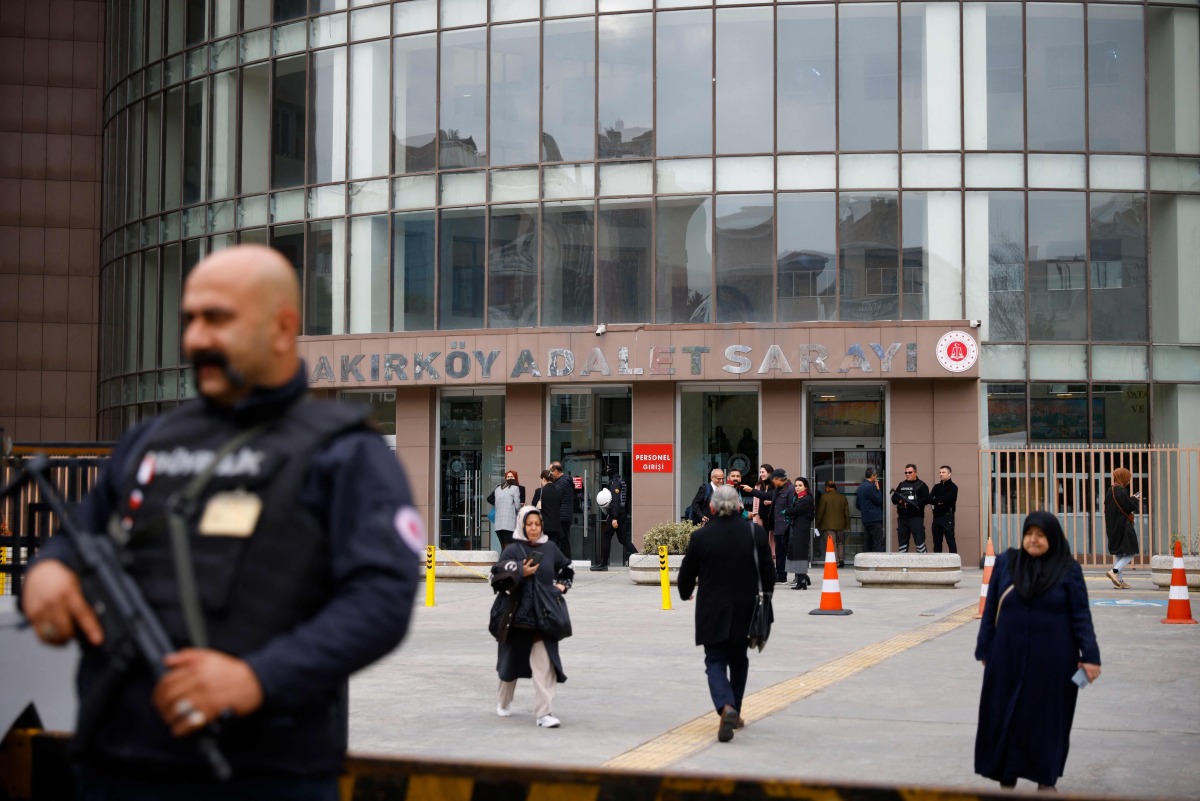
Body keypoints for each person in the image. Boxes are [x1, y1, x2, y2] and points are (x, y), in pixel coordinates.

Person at [19, 245, 421, 799]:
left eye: (218, 319)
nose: (196, 339)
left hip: (260, 776)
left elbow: (380, 601)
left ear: (283, 328)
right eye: (189, 319)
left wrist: (257, 679)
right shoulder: (149, 442)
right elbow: (76, 537)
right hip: (112, 765)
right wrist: (49, 573)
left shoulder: (345, 452)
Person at [975, 511, 1101, 791]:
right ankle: (1006, 776)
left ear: (1052, 537)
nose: (1033, 539)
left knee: (1047, 721)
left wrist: (1090, 655)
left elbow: (1081, 616)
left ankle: (1046, 779)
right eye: (1029, 533)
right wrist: (985, 649)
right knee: (1004, 714)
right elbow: (991, 608)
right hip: (1007, 656)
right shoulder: (1007, 562)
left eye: (1040, 534)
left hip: (1053, 662)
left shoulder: (1068, 569)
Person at [677, 485, 774, 743]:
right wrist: (767, 598)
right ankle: (735, 710)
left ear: (712, 507)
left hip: (712, 609)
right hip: (746, 608)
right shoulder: (756, 534)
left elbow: (686, 573)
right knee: (739, 659)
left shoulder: (701, 537)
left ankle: (726, 707)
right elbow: (769, 574)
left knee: (715, 660)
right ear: (740, 506)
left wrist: (685, 592)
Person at [490, 506, 574, 728]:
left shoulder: (550, 548)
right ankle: (503, 701)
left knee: (545, 665)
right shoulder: (512, 550)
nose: (534, 528)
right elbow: (496, 575)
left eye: (537, 524)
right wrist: (520, 570)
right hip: (516, 619)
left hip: (543, 617)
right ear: (522, 525)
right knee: (509, 668)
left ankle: (544, 713)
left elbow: (567, 568)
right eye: (530, 524)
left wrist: (562, 586)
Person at [747, 468, 792, 583]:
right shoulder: (778, 489)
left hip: (786, 526)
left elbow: (792, 509)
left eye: (773, 480)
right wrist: (751, 490)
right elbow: (765, 495)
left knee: (787, 552)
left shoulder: (790, 489)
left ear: (778, 479)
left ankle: (795, 575)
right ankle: (781, 576)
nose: (772, 482)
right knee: (779, 552)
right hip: (778, 526)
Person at [1103, 467, 1141, 589]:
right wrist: (1135, 499)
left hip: (1113, 527)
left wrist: (1130, 499)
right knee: (1131, 551)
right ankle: (1114, 571)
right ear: (1122, 477)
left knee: (1119, 553)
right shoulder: (1121, 490)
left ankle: (1119, 581)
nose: (1128, 481)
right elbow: (1129, 507)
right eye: (1128, 479)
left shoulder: (1111, 490)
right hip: (1123, 526)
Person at [593, 465, 634, 571]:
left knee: (607, 538)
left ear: (611, 470)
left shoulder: (615, 483)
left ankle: (603, 564)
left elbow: (616, 501)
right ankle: (639, 557)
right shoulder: (621, 481)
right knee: (623, 540)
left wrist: (614, 518)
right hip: (621, 513)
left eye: (607, 469)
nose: (606, 471)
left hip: (616, 514)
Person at [782, 477, 816, 589]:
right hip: (796, 529)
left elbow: (795, 510)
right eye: (796, 485)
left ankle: (801, 579)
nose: (797, 488)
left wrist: (786, 511)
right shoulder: (797, 498)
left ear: (805, 487)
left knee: (800, 553)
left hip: (802, 530)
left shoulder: (806, 499)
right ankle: (802, 577)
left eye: (800, 485)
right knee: (796, 553)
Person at [892, 463, 930, 553]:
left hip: (916, 518)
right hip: (902, 519)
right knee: (902, 544)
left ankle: (923, 564)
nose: (907, 474)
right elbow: (894, 499)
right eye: (906, 472)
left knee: (920, 542)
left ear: (915, 472)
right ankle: (903, 565)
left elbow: (926, 500)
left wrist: (912, 504)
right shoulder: (901, 485)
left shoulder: (922, 485)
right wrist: (901, 500)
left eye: (910, 472)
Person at [815, 480, 850, 568]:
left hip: (828, 525)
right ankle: (841, 559)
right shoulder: (842, 497)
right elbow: (847, 513)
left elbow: (820, 512)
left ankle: (836, 562)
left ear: (827, 487)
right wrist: (847, 525)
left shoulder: (824, 497)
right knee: (840, 542)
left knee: (832, 543)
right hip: (840, 525)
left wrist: (817, 524)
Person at [928, 465, 959, 554]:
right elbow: (930, 499)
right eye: (940, 472)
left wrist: (936, 499)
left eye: (943, 472)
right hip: (936, 517)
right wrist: (938, 501)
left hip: (947, 516)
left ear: (949, 474)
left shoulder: (953, 487)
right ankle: (937, 564)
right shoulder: (936, 486)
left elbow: (946, 499)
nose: (941, 474)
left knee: (950, 540)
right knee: (936, 541)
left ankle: (953, 563)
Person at [746, 464, 775, 557]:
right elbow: (755, 501)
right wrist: (755, 514)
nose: (761, 474)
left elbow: (777, 499)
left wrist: (770, 502)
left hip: (772, 516)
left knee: (772, 539)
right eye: (760, 472)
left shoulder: (775, 485)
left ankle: (772, 557)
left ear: (770, 473)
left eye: (763, 472)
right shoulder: (758, 485)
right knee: (762, 538)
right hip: (761, 516)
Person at [549, 462, 575, 562]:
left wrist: (548, 484)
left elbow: (553, 494)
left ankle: (565, 564)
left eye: (550, 471)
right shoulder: (563, 481)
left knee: (562, 542)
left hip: (562, 516)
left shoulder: (563, 482)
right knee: (562, 542)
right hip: (563, 515)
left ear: (555, 471)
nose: (549, 474)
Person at [489, 471, 523, 549]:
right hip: (509, 523)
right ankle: (506, 560)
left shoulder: (497, 489)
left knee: (503, 547)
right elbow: (517, 506)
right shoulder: (515, 488)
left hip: (498, 524)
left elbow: (496, 503)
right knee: (509, 547)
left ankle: (502, 560)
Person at [855, 467, 885, 553]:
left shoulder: (860, 487)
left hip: (866, 519)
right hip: (874, 519)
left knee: (868, 542)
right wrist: (878, 489)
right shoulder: (871, 487)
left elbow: (857, 505)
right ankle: (880, 563)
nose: (876, 478)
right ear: (872, 476)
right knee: (878, 542)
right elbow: (878, 500)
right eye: (876, 476)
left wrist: (865, 509)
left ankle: (867, 563)